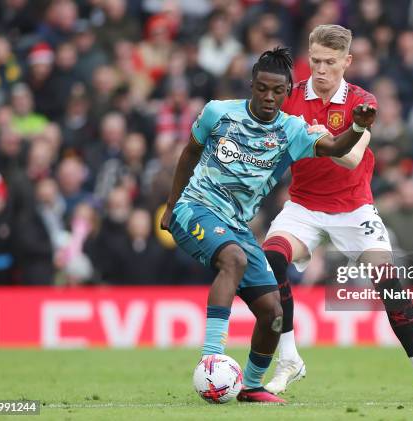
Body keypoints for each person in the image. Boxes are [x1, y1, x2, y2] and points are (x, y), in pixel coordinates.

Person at [160, 47, 375, 403]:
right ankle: (211, 358)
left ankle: (253, 385)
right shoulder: (218, 112)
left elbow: (337, 146)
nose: (270, 97)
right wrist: (171, 205)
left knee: (274, 313)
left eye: (278, 91)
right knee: (235, 260)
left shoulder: (292, 130)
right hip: (196, 208)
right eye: (262, 89)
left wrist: (358, 126)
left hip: (236, 225)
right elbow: (189, 153)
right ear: (252, 85)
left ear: (288, 92)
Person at [263, 25, 413, 401]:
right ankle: (288, 360)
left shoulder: (363, 102)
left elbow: (351, 158)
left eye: (329, 62)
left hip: (354, 208)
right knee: (270, 259)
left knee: (387, 278)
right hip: (303, 206)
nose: (320, 69)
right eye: (315, 60)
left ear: (346, 62)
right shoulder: (290, 98)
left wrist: (318, 136)